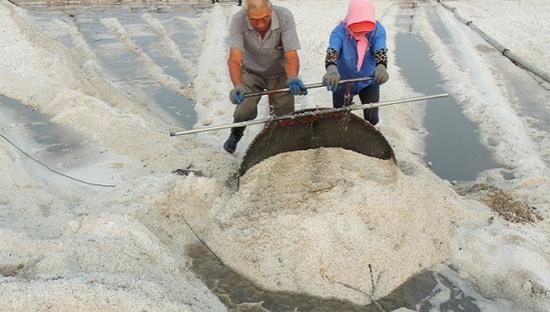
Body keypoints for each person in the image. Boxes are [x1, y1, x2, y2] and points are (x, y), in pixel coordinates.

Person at [223, 0, 307, 153]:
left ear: (270, 9)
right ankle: (235, 135)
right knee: (243, 111)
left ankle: (279, 146)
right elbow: (234, 58)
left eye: (265, 18)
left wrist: (293, 77)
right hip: (252, 72)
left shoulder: (284, 16)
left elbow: (291, 55)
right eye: (254, 20)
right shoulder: (238, 20)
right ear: (246, 14)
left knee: (285, 118)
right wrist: (237, 86)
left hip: (280, 72)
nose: (261, 24)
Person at [322, 0, 389, 125]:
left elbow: (380, 50)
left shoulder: (377, 30)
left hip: (368, 79)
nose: (361, 32)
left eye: (365, 29)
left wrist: (381, 66)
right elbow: (332, 51)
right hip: (342, 80)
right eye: (357, 28)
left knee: (371, 118)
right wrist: (331, 69)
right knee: (339, 117)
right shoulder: (339, 32)